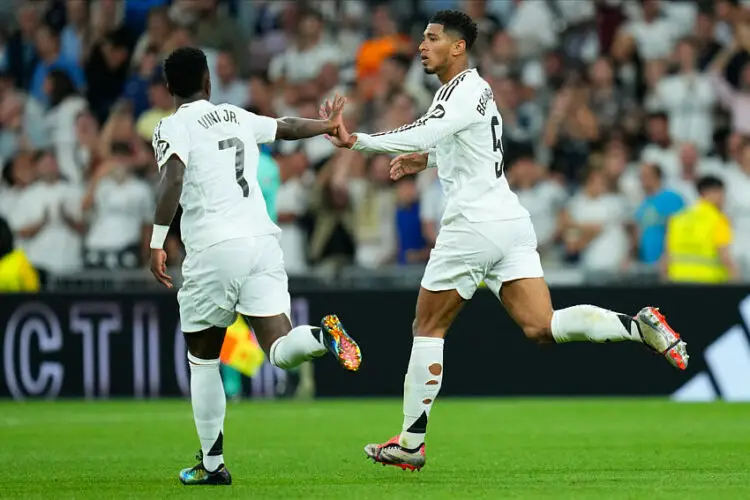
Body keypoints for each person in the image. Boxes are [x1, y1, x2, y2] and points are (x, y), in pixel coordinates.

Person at [320, 10, 688, 471]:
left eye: (432, 38)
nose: (421, 46)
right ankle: (637, 326)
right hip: (509, 221)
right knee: (542, 326)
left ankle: (411, 443)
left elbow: (431, 129)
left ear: (458, 47)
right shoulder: (477, 90)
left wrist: (357, 141)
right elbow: (467, 144)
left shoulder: (460, 90)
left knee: (428, 328)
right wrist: (427, 160)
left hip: (472, 224)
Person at [150, 47, 362, 486]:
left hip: (213, 248)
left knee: (204, 360)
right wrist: (327, 125)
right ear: (208, 81)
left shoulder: (171, 126)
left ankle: (212, 466)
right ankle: (322, 336)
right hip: (263, 242)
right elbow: (284, 127)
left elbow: (172, 178)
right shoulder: (234, 114)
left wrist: (156, 242)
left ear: (169, 88)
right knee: (281, 350)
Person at [664, 176, 738, 283]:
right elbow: (725, 257)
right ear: (708, 192)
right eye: (721, 193)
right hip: (708, 284)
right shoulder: (718, 219)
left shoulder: (678, 218)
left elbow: (667, 257)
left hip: (678, 282)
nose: (723, 198)